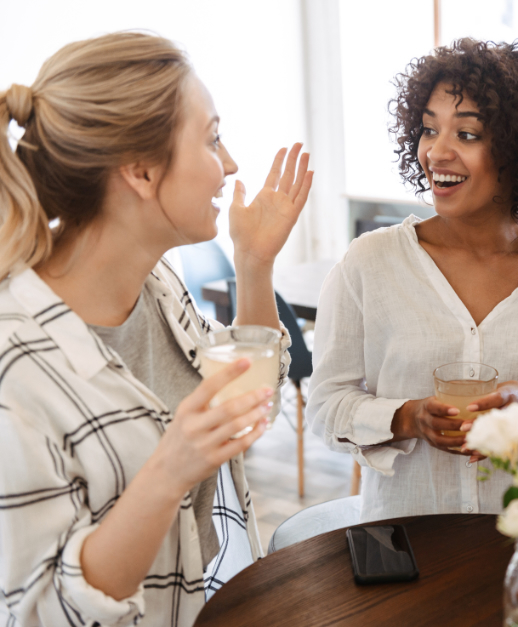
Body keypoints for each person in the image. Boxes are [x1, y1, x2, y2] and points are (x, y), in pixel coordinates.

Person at [0, 33, 312, 626]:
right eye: (212, 138)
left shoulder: (157, 287)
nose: (231, 164)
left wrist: (255, 264)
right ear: (141, 171)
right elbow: (40, 614)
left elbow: (249, 408)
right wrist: (170, 469)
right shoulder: (15, 365)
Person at [310, 39, 518, 523]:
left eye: (468, 135)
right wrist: (406, 418)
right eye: (429, 129)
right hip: (413, 544)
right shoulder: (371, 262)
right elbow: (326, 407)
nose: (437, 152)